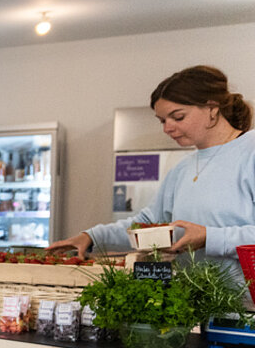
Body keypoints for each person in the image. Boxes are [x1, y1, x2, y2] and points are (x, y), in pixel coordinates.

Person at [50, 66, 255, 277]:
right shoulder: (182, 169)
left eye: (178, 117)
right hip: (194, 303)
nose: (167, 128)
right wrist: (93, 237)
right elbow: (146, 224)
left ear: (212, 108)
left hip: (245, 307)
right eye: (163, 121)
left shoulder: (250, 151)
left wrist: (208, 237)